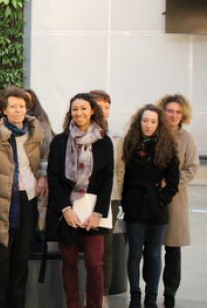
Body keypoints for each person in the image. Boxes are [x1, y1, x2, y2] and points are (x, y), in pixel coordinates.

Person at [0, 87, 47, 308]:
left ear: (27, 108)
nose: (18, 110)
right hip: (2, 201)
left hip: (28, 199)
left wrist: (43, 176)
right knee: (1, 258)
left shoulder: (36, 132)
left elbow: (46, 158)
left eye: (21, 106)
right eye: (13, 106)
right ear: (4, 110)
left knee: (21, 258)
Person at [46, 93, 113, 308]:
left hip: (94, 213)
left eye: (84, 108)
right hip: (68, 212)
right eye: (75, 109)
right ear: (70, 112)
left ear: (92, 110)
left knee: (95, 264)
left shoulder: (104, 141)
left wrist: (97, 213)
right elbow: (54, 177)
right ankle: (73, 305)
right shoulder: (59, 141)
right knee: (69, 263)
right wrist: (65, 209)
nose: (79, 113)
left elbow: (107, 181)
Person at [121, 104, 179, 308]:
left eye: (153, 121)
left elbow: (173, 182)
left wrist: (161, 198)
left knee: (154, 254)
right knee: (135, 254)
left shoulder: (168, 147)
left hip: (157, 209)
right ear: (139, 122)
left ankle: (151, 297)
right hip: (134, 208)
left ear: (159, 124)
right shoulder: (130, 144)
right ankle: (135, 296)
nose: (148, 125)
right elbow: (124, 177)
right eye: (145, 120)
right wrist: (126, 202)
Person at [157, 94, 199, 308]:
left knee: (173, 250)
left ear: (183, 115)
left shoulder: (187, 139)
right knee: (150, 249)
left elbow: (191, 168)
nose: (173, 115)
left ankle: (170, 295)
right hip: (151, 199)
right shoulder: (153, 132)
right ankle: (148, 292)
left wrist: (171, 183)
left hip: (175, 200)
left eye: (178, 112)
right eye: (170, 111)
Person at [88, 89, 123, 303]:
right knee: (88, 248)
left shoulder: (116, 137)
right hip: (84, 196)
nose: (104, 111)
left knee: (106, 247)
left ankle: (103, 293)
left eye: (107, 107)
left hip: (110, 197)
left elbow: (120, 169)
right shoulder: (80, 132)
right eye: (100, 106)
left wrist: (117, 193)